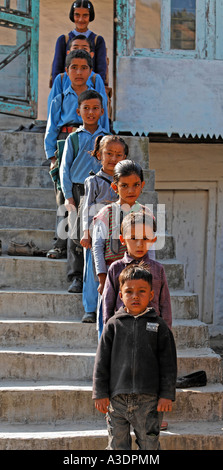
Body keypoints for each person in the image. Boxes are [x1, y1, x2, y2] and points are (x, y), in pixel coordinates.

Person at [92, 263, 177, 450]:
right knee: (117, 446)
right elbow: (101, 362)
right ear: (121, 295)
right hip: (117, 400)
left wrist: (166, 395)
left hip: (149, 402)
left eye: (142, 291)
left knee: (149, 446)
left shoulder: (160, 326)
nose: (135, 296)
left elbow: (168, 364)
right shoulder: (113, 325)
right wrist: (100, 393)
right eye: (129, 292)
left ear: (151, 295)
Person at [59, 89, 108, 294]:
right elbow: (64, 169)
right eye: (86, 108)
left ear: (102, 111)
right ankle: (76, 277)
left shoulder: (107, 139)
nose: (90, 112)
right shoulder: (73, 138)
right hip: (78, 191)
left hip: (101, 191)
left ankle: (99, 276)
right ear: (78, 112)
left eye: (95, 108)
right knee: (75, 234)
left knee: (100, 234)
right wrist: (68, 196)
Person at [80, 135, 129, 323]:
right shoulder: (92, 181)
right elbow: (86, 209)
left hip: (119, 231)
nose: (113, 158)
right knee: (92, 269)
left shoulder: (126, 182)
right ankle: (90, 308)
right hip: (97, 231)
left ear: (125, 158)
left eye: (118, 154)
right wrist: (86, 233)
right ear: (99, 155)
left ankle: (112, 304)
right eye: (109, 153)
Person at [102, 210, 172, 330]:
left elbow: (164, 304)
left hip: (151, 330)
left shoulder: (157, 269)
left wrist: (166, 333)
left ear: (152, 240)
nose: (140, 244)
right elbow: (108, 305)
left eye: (145, 238)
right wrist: (109, 331)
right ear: (122, 239)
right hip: (123, 329)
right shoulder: (115, 268)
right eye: (133, 238)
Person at [48, 35, 107, 116]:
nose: (80, 52)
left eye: (84, 49)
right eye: (75, 48)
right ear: (68, 53)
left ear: (91, 54)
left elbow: (102, 112)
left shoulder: (96, 79)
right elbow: (52, 112)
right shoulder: (61, 79)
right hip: (65, 128)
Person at [51, 1, 107, 85]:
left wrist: (98, 90)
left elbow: (101, 69)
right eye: (77, 15)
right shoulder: (63, 40)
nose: (81, 19)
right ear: (72, 16)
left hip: (90, 90)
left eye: (85, 15)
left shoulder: (98, 40)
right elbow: (56, 69)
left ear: (90, 16)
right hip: (67, 90)